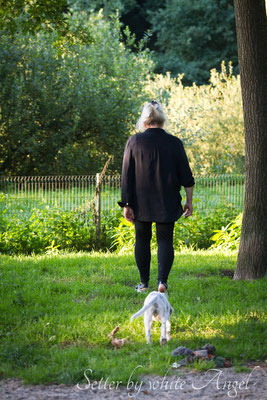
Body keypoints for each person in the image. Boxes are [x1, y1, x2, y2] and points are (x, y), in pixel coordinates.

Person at [118, 101, 195, 293]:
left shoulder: (134, 142)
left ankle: (144, 284)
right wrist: (189, 201)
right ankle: (162, 282)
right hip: (167, 199)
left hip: (140, 201)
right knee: (165, 240)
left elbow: (126, 176)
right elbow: (187, 176)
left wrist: (127, 204)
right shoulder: (174, 143)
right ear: (162, 120)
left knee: (142, 240)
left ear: (144, 121)